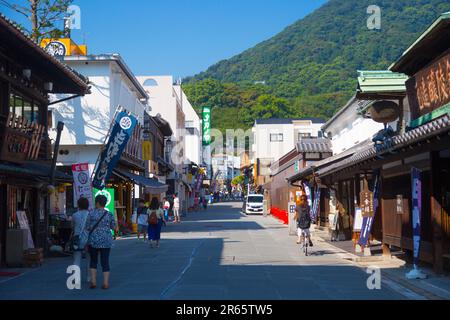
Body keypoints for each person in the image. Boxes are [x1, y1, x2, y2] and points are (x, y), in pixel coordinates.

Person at [87, 195, 117, 290]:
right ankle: (105, 283)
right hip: (106, 240)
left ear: (97, 203)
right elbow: (114, 227)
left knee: (93, 261)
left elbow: (87, 226)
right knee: (105, 261)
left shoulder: (91, 214)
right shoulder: (109, 214)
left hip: (93, 240)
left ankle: (93, 281)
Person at [71, 197, 90, 283]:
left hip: (77, 239)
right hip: (88, 239)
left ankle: (76, 278)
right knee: (89, 259)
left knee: (76, 258)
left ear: (78, 205)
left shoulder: (75, 215)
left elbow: (72, 227)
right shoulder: (90, 214)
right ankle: (89, 277)